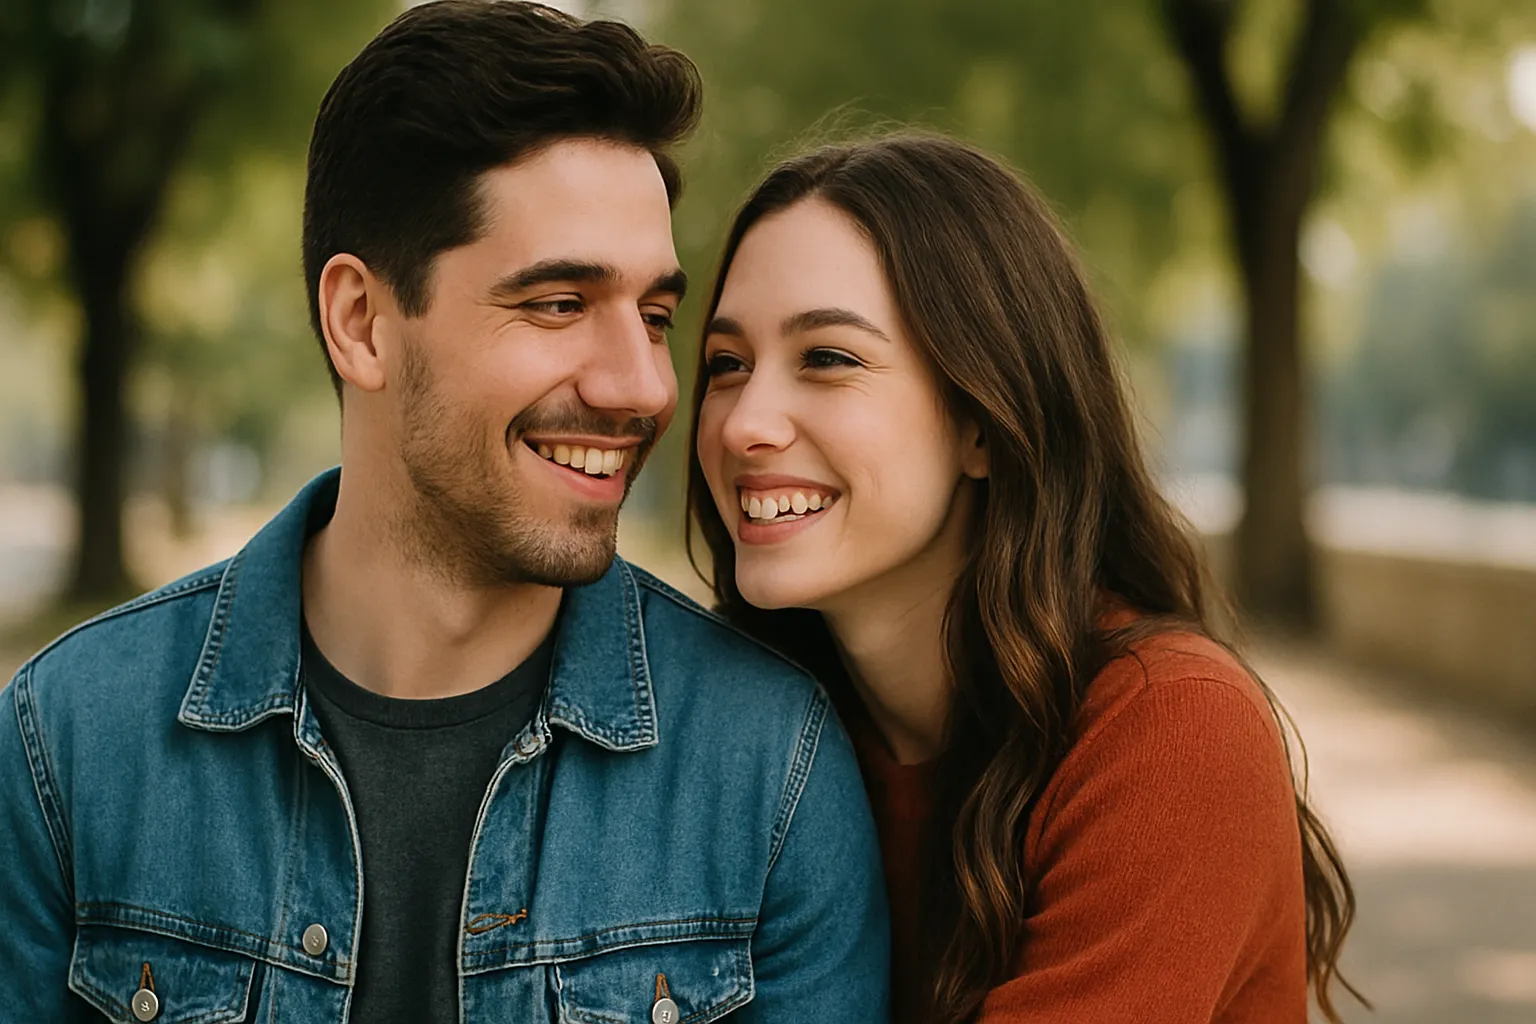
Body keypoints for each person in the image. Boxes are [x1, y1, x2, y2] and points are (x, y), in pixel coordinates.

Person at [0, 4, 889, 1021]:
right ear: (362, 322)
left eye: (655, 316)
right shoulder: (67, 743)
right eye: (559, 303)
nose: (643, 385)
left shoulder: (769, 766)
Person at [687, 132, 1359, 1024]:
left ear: (984, 425)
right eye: (727, 365)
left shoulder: (1172, 730)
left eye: (828, 359)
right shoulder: (753, 734)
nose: (743, 426)